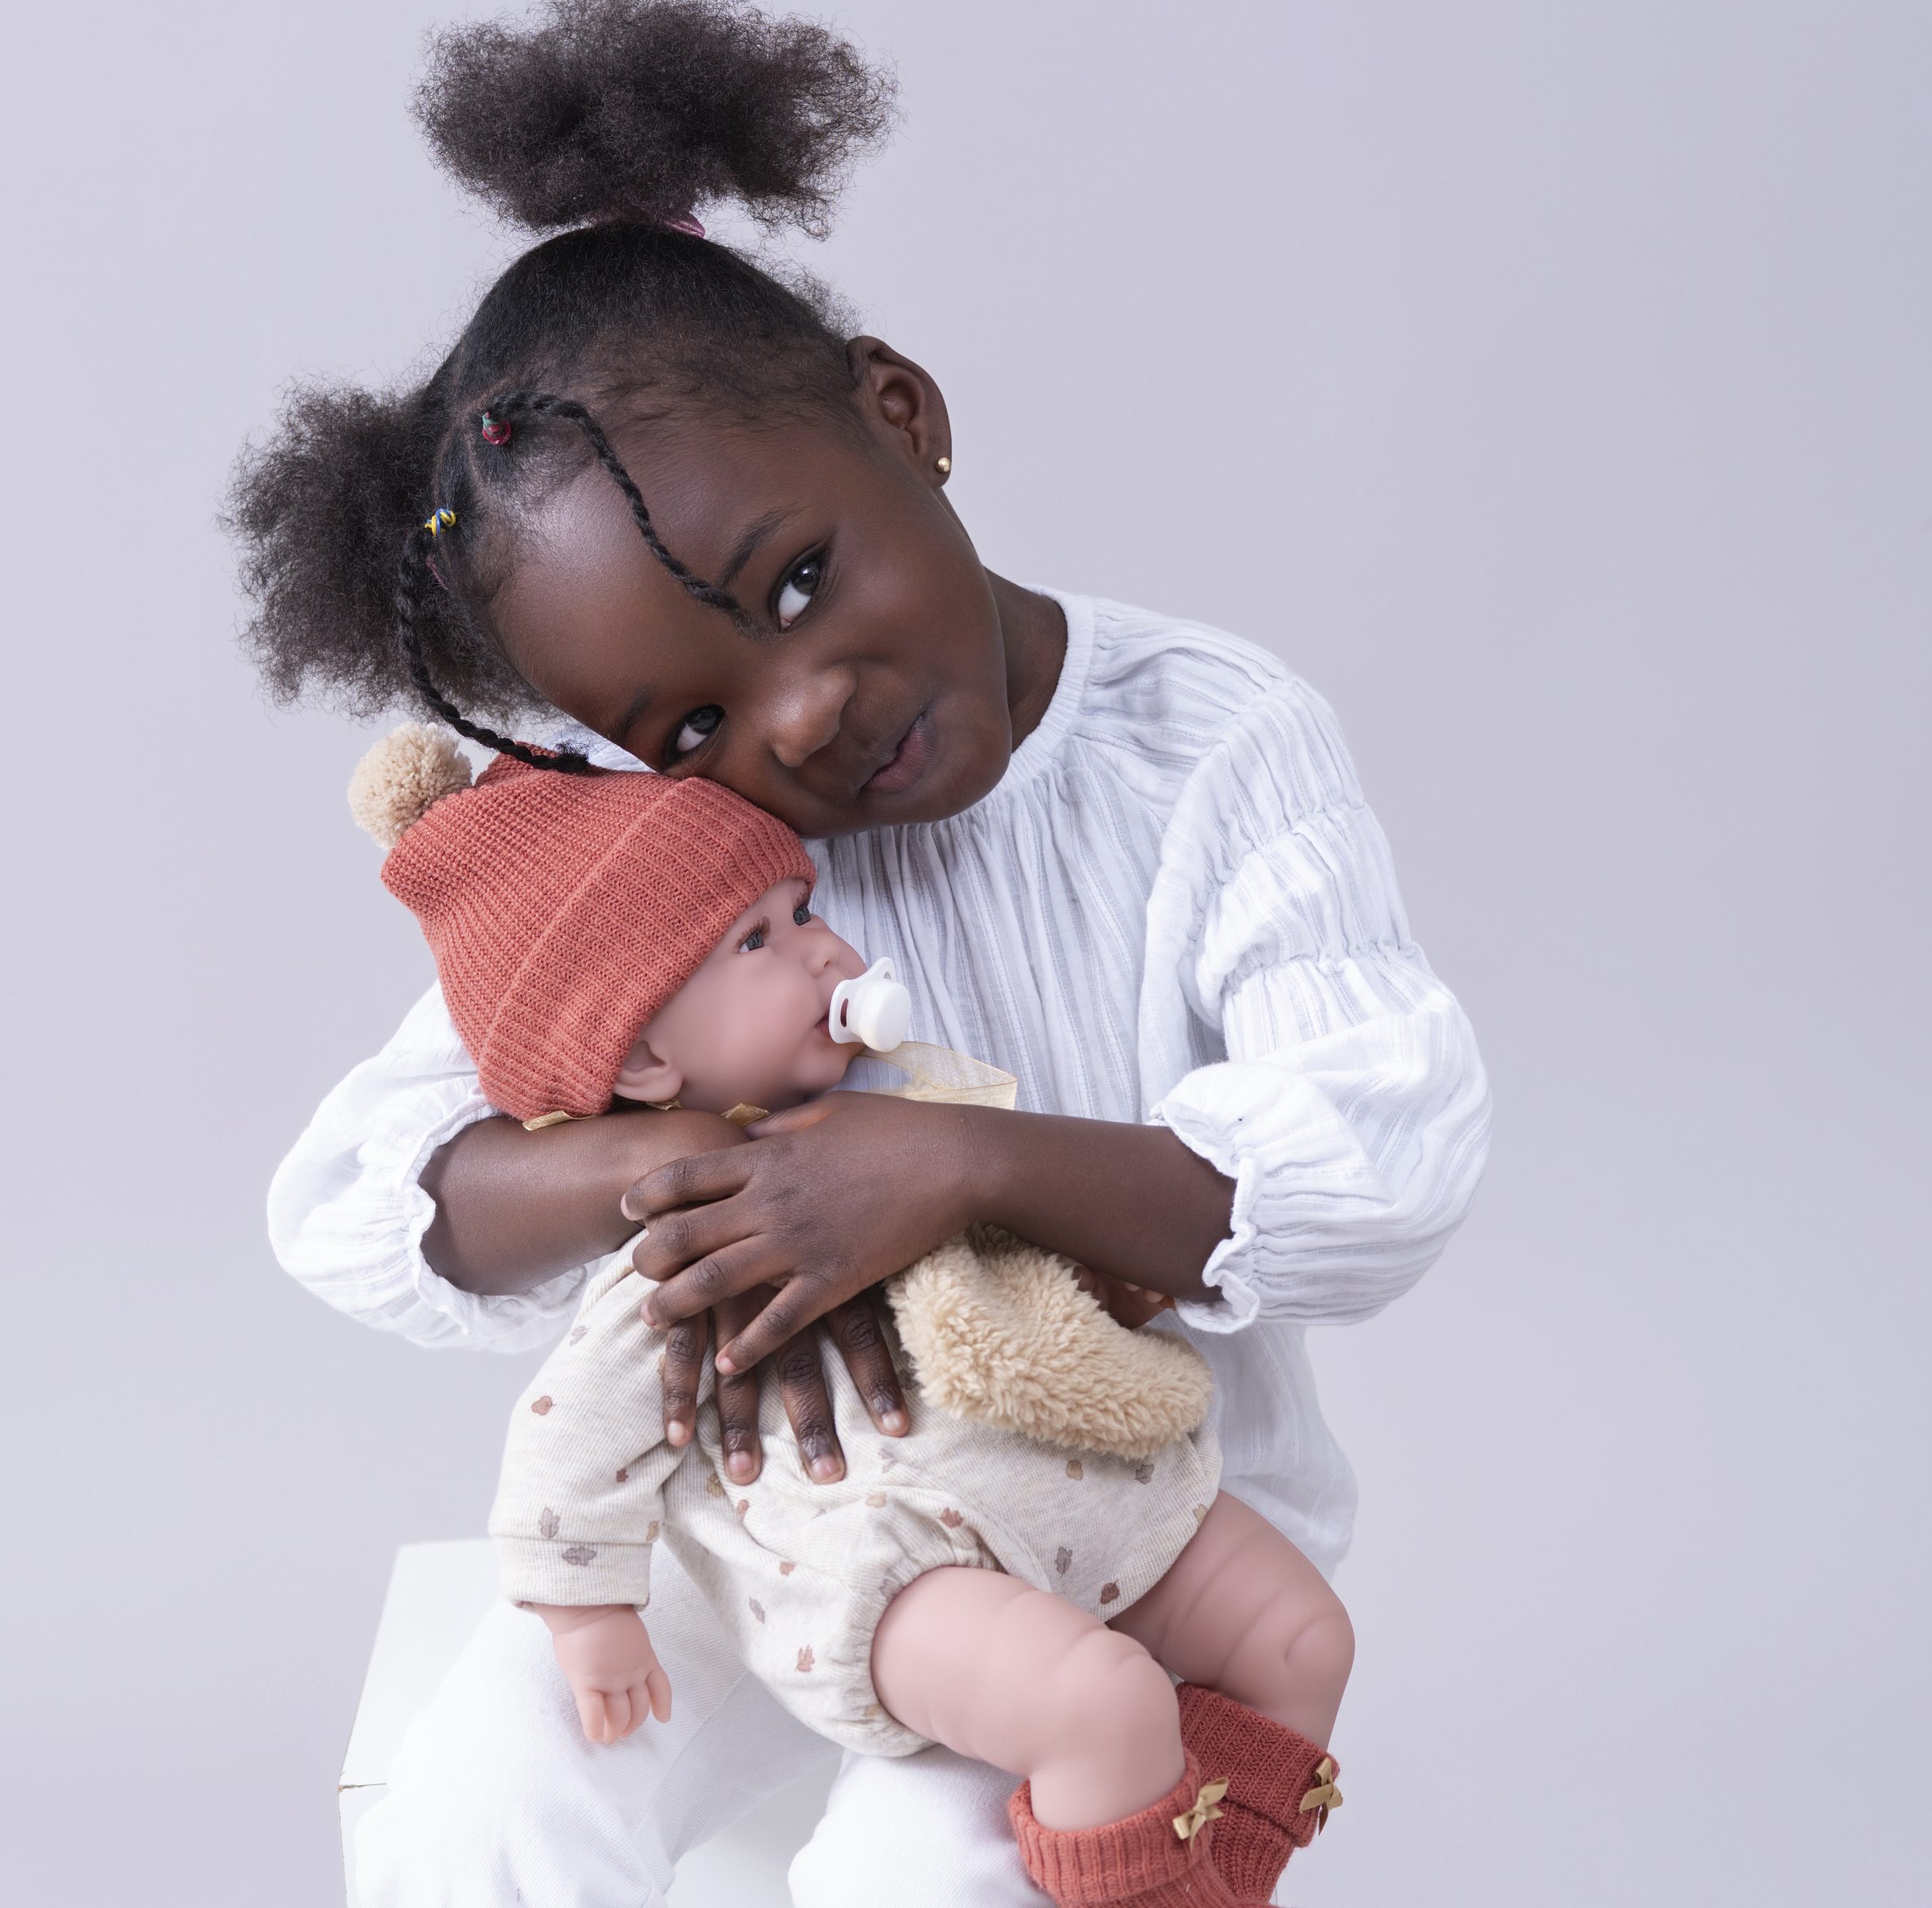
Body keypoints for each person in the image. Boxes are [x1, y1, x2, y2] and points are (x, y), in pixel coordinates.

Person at [235, 0, 1492, 1907]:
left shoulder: (1210, 742)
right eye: (688, 723)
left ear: (901, 415)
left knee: (922, 1866)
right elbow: (356, 1197)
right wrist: (691, 1162)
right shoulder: (658, 829)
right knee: (478, 1798)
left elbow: (1383, 1162)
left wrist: (945, 1167)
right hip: (763, 1528)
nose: (796, 715)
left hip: (1117, 1531)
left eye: (799, 579)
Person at [347, 725, 1348, 1904]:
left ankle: (1211, 1880)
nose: (825, 951)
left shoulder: (927, 1114)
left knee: (1303, 1640)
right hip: (892, 1567)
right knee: (1102, 1704)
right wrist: (591, 1611)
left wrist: (1100, 1267)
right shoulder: (688, 1249)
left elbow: (1031, 1258)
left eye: (805, 911)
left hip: (1088, 1491)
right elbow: (569, 1434)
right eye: (758, 942)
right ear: (648, 1060)